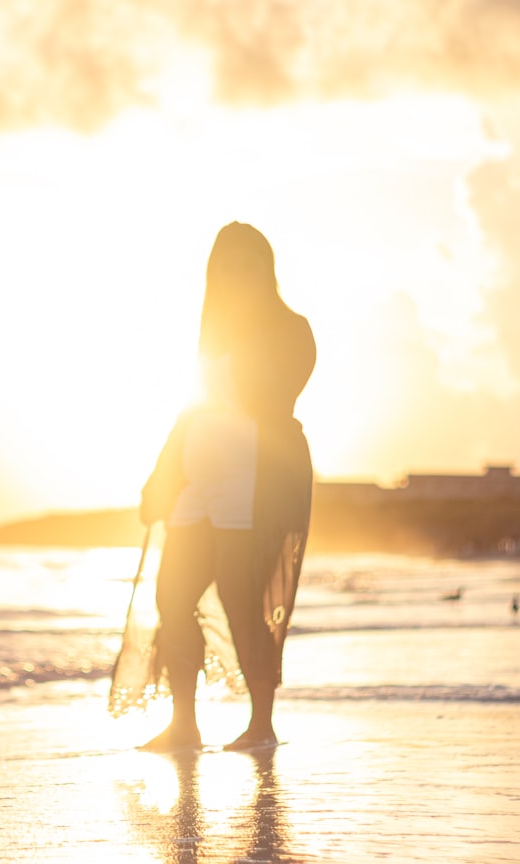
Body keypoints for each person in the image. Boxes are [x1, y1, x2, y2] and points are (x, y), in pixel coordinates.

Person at [137, 222, 316, 752]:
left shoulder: (291, 329)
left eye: (246, 263)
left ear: (265, 267)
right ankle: (184, 723)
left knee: (242, 600)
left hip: (255, 480)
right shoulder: (209, 333)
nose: (235, 274)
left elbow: (278, 396)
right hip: (199, 480)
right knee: (172, 594)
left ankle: (262, 723)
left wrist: (249, 329)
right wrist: (160, 476)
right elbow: (190, 408)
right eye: (225, 264)